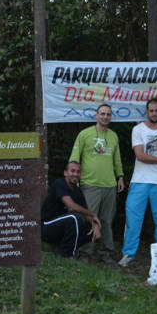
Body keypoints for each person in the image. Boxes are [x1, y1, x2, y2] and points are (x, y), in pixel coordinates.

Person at [118, 98, 157, 267]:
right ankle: (128, 254)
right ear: (147, 112)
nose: (153, 113)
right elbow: (140, 156)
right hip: (139, 181)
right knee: (133, 219)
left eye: (156, 110)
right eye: (151, 111)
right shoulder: (138, 129)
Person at [68, 103, 124, 263]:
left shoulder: (113, 136)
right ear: (96, 115)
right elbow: (74, 158)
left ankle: (106, 252)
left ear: (111, 117)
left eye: (108, 114)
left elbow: (117, 159)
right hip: (90, 184)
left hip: (110, 185)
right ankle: (85, 252)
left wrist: (120, 176)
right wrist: (73, 178)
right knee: (89, 219)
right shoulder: (84, 134)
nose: (105, 117)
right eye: (102, 114)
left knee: (107, 221)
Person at [41, 161, 101, 258]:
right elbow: (71, 206)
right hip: (46, 226)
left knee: (89, 227)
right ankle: (68, 256)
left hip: (62, 226)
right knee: (74, 218)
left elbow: (86, 216)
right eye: (72, 171)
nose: (75, 174)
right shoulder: (59, 183)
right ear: (65, 173)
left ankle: (62, 250)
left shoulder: (78, 191)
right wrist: (93, 215)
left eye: (78, 172)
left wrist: (96, 225)